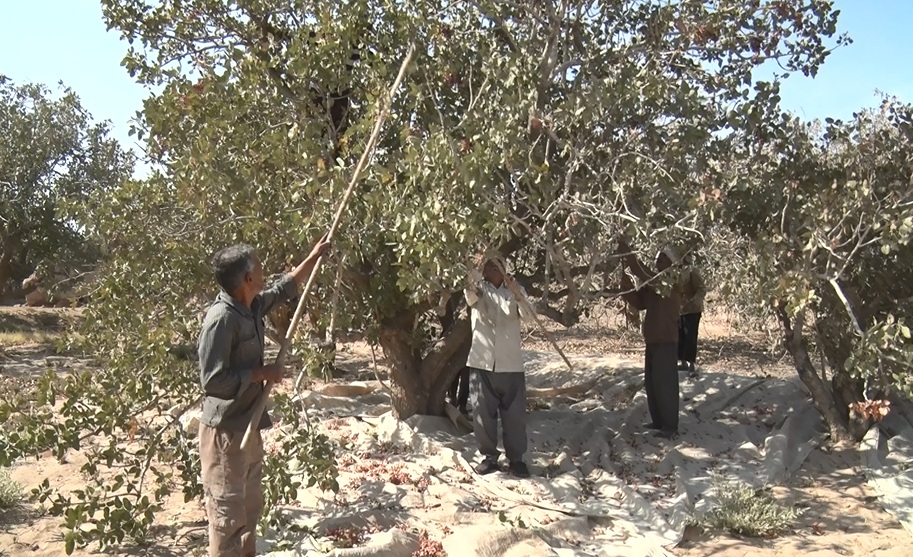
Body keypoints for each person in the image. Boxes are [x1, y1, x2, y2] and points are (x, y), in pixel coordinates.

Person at [197, 236, 331, 557]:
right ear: (246, 278)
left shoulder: (251, 305)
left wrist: (313, 257)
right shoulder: (221, 320)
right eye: (257, 266)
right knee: (228, 520)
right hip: (226, 435)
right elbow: (213, 382)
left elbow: (285, 289)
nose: (263, 270)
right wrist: (259, 374)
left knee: (249, 512)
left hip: (250, 427)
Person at [464, 256, 534, 477]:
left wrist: (517, 294)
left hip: (510, 363)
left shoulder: (515, 289)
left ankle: (516, 460)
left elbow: (530, 316)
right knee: (483, 413)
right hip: (481, 362)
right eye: (487, 265)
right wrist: (477, 262)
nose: (491, 269)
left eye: (497, 265)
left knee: (515, 416)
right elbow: (468, 295)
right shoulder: (476, 289)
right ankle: (489, 457)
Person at [617, 237, 682, 439]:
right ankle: (659, 421)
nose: (658, 262)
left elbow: (641, 272)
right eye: (658, 259)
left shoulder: (669, 283)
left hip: (666, 341)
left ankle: (670, 426)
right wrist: (624, 286)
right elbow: (639, 302)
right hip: (653, 341)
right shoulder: (655, 287)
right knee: (653, 384)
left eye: (663, 259)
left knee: (665, 385)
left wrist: (627, 252)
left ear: (672, 263)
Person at [678, 258, 707, 378]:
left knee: (690, 336)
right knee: (680, 335)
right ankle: (682, 362)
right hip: (679, 309)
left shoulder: (692, 271)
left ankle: (691, 365)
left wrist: (692, 302)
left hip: (692, 309)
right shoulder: (673, 272)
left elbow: (701, 289)